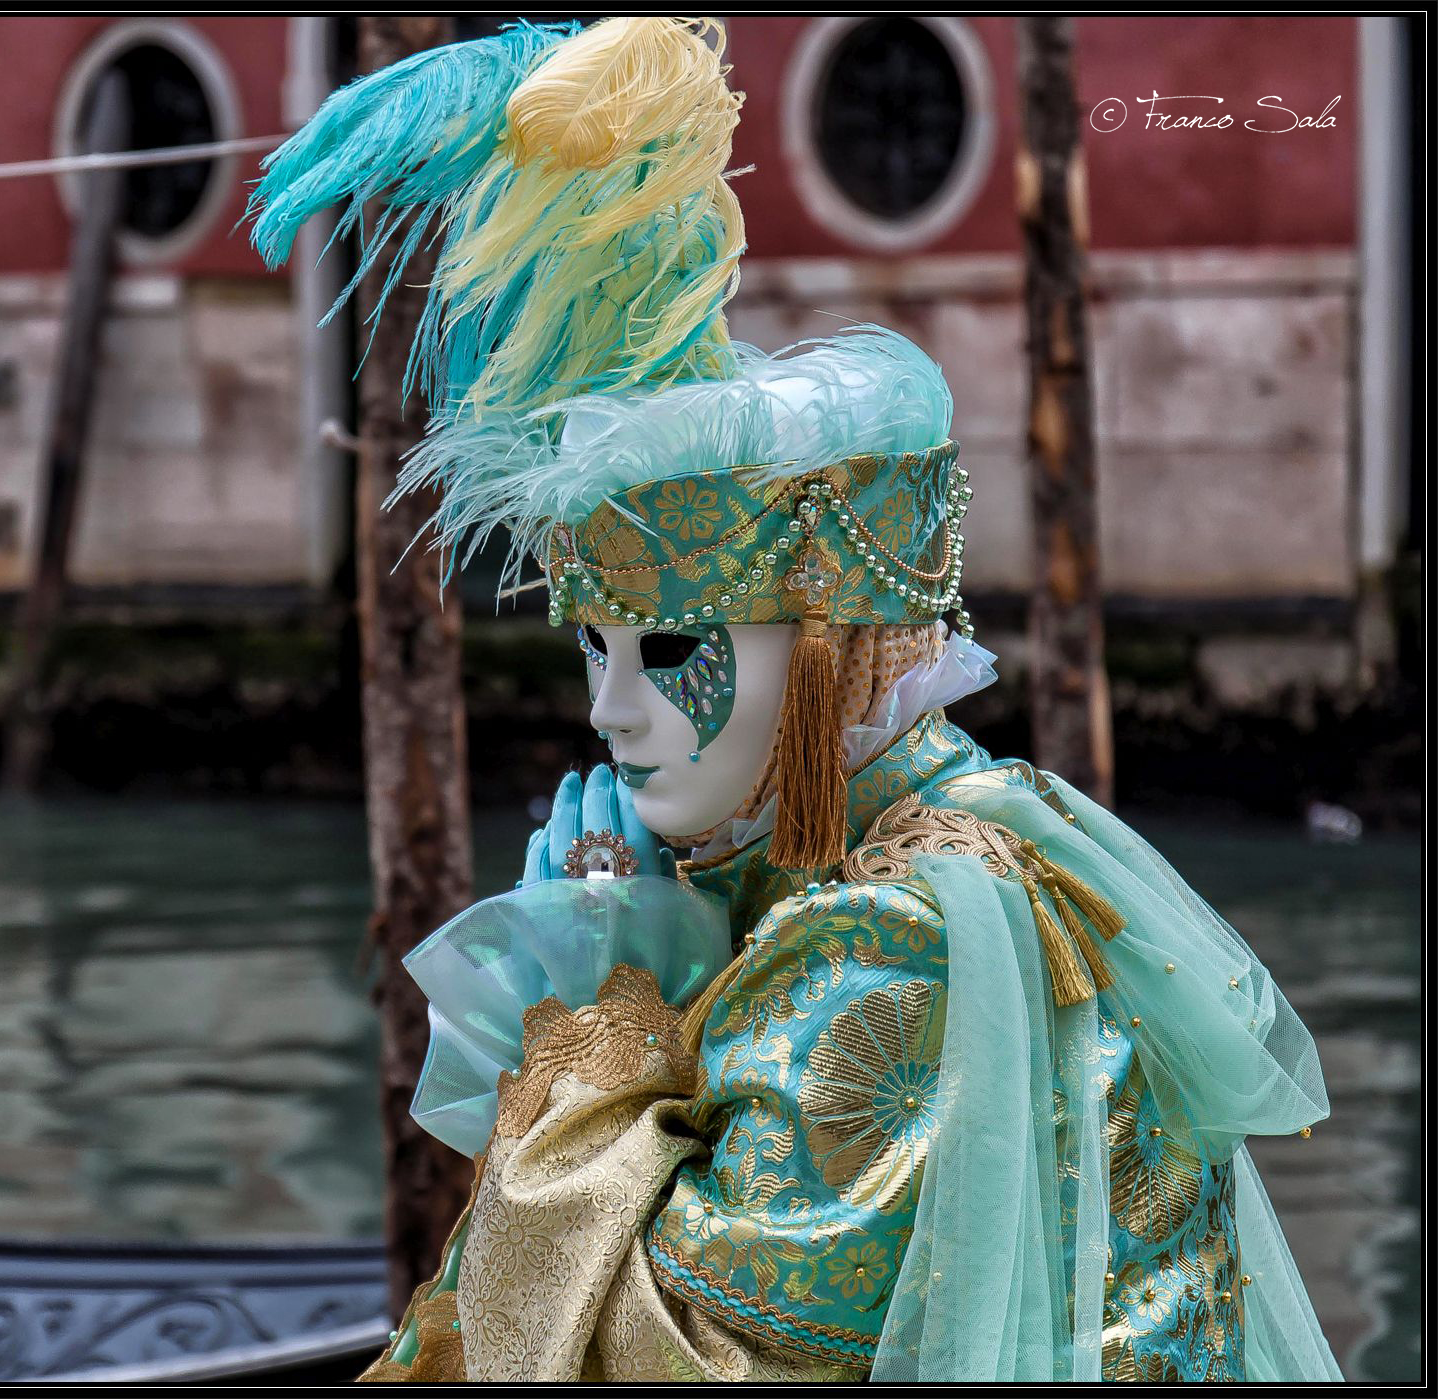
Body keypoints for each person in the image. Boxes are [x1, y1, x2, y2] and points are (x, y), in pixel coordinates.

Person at [248, 16, 1337, 1383]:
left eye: (675, 651)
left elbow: (665, 1358)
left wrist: (597, 1036)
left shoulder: (889, 936)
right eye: (596, 650)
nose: (615, 715)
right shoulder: (932, 844)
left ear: (828, 648)